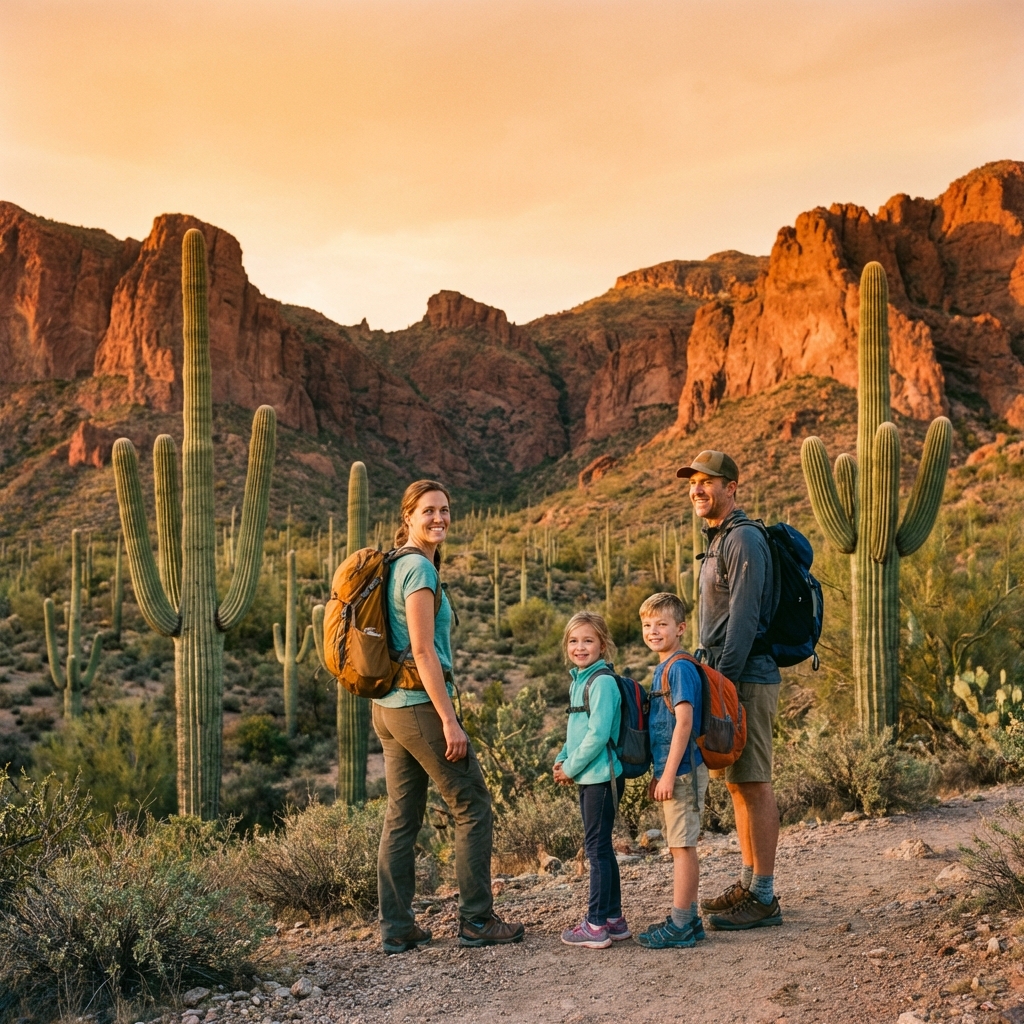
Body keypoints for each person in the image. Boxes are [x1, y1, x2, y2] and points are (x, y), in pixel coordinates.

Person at [372, 479, 524, 953]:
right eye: (428, 511)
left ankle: (398, 928)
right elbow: (421, 649)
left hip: (390, 709)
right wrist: (449, 720)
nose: (439, 518)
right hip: (419, 707)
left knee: (402, 817)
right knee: (473, 805)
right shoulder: (417, 568)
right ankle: (477, 920)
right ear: (408, 518)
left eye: (444, 509)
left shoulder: (398, 563)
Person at [678, 450, 783, 930]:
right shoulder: (720, 539)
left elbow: (742, 620)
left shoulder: (742, 539)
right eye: (693, 482)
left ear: (732, 486)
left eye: (708, 481)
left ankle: (764, 896)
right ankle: (748, 884)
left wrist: (724, 684)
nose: (698, 489)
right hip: (729, 676)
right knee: (739, 783)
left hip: (746, 678)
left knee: (755, 781)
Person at [635, 592, 708, 949]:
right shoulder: (665, 667)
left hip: (682, 772)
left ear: (680, 628)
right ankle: (689, 919)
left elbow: (683, 723)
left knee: (682, 846)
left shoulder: (678, 668)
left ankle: (681, 924)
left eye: (661, 624)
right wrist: (658, 772)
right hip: (673, 770)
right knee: (680, 844)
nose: (653, 631)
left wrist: (667, 774)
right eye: (647, 625)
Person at [553, 611, 630, 949]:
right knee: (602, 848)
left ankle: (596, 925)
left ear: (603, 644)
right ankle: (614, 918)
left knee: (596, 850)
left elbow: (598, 734)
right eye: (574, 641)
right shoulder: (581, 680)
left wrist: (571, 768)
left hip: (602, 778)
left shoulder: (601, 682)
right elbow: (577, 731)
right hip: (593, 776)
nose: (580, 647)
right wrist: (562, 759)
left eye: (588, 640)